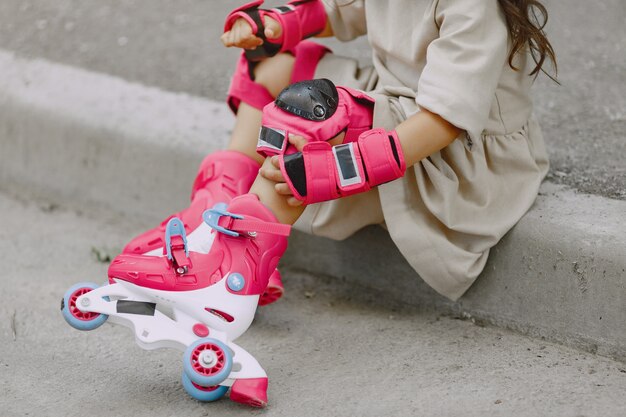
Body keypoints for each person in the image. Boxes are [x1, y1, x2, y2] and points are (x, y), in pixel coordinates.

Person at [107, 0, 556, 406]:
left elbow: (442, 123)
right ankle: (212, 216)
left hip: (454, 159)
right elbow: (337, 10)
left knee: (312, 114)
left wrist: (338, 166)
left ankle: (234, 275)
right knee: (271, 61)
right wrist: (276, 24)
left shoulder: (473, 9)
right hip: (395, 107)